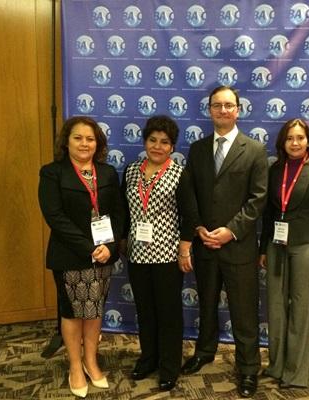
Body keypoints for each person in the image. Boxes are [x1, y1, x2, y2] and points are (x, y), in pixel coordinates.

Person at [180, 85, 268, 398]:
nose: (223, 110)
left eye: (229, 105)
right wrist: (199, 228)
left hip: (238, 246)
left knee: (244, 313)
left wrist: (230, 231)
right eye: (217, 105)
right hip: (204, 244)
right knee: (206, 305)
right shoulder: (198, 149)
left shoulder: (255, 150)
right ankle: (204, 352)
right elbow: (190, 194)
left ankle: (247, 369)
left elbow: (258, 200)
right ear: (209, 110)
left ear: (239, 109)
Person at [38, 116, 125, 398]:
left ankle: (91, 360)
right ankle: (75, 365)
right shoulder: (52, 173)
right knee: (73, 313)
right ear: (66, 141)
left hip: (104, 254)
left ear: (97, 142)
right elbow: (55, 216)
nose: (84, 143)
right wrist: (89, 247)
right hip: (71, 255)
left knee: (95, 310)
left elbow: (119, 213)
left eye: (90, 138)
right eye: (78, 137)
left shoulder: (108, 173)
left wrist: (111, 247)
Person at [120, 115, 196, 392]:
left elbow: (190, 215)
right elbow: (125, 211)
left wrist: (184, 249)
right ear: (145, 141)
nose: (157, 146)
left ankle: (169, 367)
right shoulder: (131, 170)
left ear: (172, 147)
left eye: (164, 142)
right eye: (153, 140)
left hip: (166, 254)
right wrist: (123, 240)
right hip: (137, 254)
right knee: (145, 311)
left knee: (168, 314)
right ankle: (148, 358)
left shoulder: (178, 173)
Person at [258, 118, 309, 388]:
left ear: (308, 141)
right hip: (275, 246)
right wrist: (263, 248)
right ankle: (276, 366)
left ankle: (295, 373)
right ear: (283, 142)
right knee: (275, 308)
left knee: (300, 309)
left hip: (305, 246)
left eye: (300, 138)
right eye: (290, 138)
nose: (295, 143)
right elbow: (268, 212)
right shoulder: (272, 168)